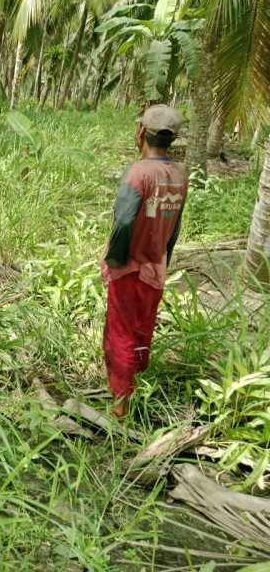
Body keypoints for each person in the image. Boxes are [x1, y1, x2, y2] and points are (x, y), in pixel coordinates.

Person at [102, 104, 189, 418]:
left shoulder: (138, 172)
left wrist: (116, 259)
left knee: (120, 332)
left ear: (141, 132)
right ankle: (132, 385)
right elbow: (175, 224)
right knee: (142, 328)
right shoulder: (180, 174)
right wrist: (164, 255)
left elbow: (124, 222)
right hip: (156, 267)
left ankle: (120, 405)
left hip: (131, 267)